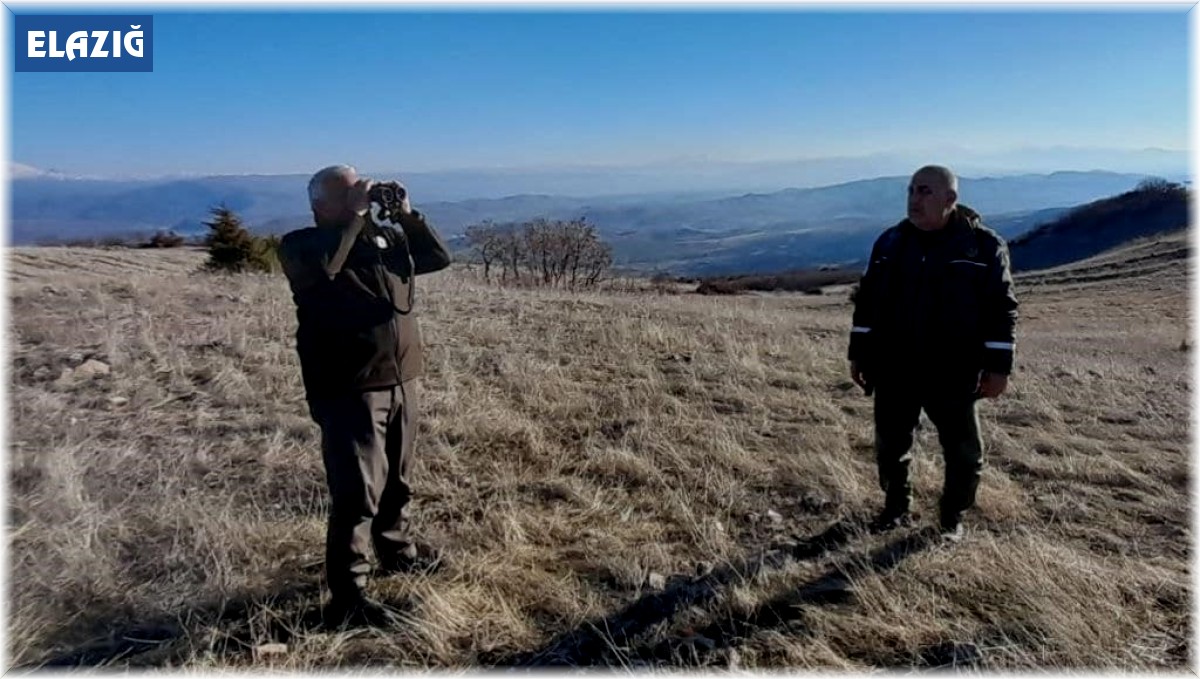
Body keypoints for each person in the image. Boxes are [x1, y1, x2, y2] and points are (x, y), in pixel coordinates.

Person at [278, 164, 452, 625]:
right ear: (321, 204)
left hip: (401, 378)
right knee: (357, 492)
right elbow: (326, 269)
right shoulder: (303, 247)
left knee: (398, 478)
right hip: (349, 386)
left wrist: (408, 217)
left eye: (361, 187)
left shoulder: (381, 239)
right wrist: (355, 218)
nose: (361, 194)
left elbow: (436, 258)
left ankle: (398, 552)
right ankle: (348, 596)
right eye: (349, 191)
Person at [847, 165, 1018, 541]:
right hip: (894, 366)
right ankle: (894, 509)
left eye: (924, 191)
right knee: (890, 447)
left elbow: (1001, 309)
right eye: (910, 190)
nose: (914, 199)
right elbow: (868, 303)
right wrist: (859, 353)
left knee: (963, 454)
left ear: (950, 200)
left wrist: (998, 367)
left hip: (953, 371)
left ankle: (950, 520)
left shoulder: (983, 247)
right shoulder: (890, 243)